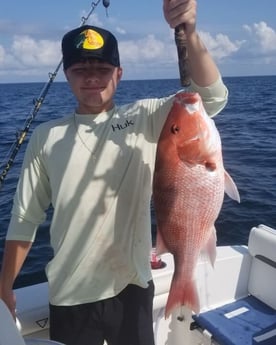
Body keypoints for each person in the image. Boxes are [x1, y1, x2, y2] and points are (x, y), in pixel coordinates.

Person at [0, 1, 228, 344]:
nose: (92, 77)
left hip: (132, 285)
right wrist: (4, 286)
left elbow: (211, 99)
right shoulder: (46, 137)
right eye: (80, 69)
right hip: (70, 293)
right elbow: (24, 218)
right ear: (67, 76)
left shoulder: (146, 117)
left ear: (118, 74)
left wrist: (190, 32)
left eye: (103, 68)